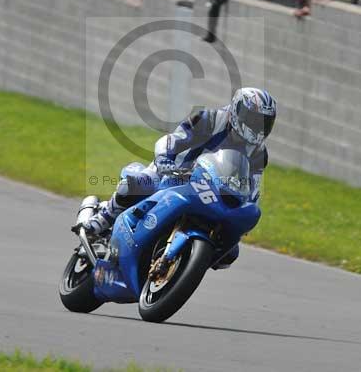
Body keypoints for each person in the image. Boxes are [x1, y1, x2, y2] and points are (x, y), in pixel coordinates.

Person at [84, 87, 277, 267]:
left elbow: (254, 189)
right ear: (237, 110)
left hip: (212, 191)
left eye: (263, 122)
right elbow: (171, 140)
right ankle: (104, 219)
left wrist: (246, 213)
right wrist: (164, 159)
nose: (256, 127)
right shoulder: (209, 119)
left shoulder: (259, 153)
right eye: (252, 119)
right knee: (135, 185)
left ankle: (182, 263)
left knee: (228, 253)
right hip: (174, 173)